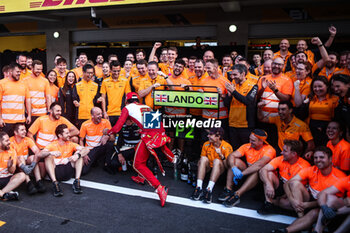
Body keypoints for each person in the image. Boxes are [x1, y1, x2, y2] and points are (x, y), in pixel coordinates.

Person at [108, 92, 175, 207]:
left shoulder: (127, 108)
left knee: (138, 164)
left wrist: (108, 132)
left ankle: (159, 188)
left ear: (126, 101)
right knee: (141, 157)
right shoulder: (146, 106)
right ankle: (141, 176)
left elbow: (118, 127)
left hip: (149, 137)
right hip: (159, 134)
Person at [277, 147, 346, 233]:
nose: (318, 160)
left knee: (313, 213)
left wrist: (307, 205)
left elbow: (332, 201)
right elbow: (288, 183)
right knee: (293, 186)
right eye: (316, 157)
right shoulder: (312, 169)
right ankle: (301, 217)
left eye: (321, 157)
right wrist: (293, 200)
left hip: (323, 206)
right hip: (308, 200)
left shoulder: (340, 177)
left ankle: (286, 230)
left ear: (330, 159)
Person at [220, 129, 276, 207]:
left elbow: (259, 165)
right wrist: (233, 167)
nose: (250, 142)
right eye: (249, 139)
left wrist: (242, 174)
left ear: (261, 141)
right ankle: (228, 189)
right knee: (234, 161)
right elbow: (232, 155)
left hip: (262, 178)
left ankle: (237, 194)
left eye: (253, 140)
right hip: (248, 173)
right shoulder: (246, 146)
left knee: (258, 170)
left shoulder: (270, 150)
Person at [258, 140, 310, 215]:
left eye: (285, 151)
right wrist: (268, 184)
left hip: (295, 192)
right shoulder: (281, 159)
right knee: (269, 174)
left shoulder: (304, 166)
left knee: (283, 202)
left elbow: (295, 188)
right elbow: (263, 170)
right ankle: (269, 204)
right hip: (283, 187)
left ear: (294, 154)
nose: (281, 152)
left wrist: (282, 198)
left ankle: (273, 202)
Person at [40, 124, 89, 197]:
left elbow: (87, 149)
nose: (69, 134)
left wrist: (77, 155)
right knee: (48, 156)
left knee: (79, 155)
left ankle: (77, 181)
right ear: (60, 135)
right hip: (56, 171)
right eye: (67, 133)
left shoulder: (71, 144)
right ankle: (55, 183)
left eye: (69, 132)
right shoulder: (52, 145)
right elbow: (41, 154)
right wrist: (51, 153)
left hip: (68, 170)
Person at [190, 127, 232, 204]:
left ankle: (209, 190)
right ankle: (198, 188)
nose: (208, 136)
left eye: (211, 134)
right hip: (209, 169)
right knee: (202, 159)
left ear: (218, 136)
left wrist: (221, 156)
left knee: (217, 161)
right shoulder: (206, 144)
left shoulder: (227, 146)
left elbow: (228, 166)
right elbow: (200, 162)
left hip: (220, 170)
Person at [225, 64, 258, 150]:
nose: (233, 77)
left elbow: (248, 101)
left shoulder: (253, 86)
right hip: (232, 124)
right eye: (232, 75)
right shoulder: (232, 85)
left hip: (245, 126)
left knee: (246, 150)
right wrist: (228, 95)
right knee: (234, 150)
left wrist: (233, 92)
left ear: (243, 74)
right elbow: (226, 104)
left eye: (235, 75)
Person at [10, 123, 45, 194]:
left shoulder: (27, 139)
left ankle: (39, 181)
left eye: (25, 130)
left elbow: (37, 151)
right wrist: (23, 166)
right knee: (21, 157)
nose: (25, 131)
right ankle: (28, 183)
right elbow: (12, 157)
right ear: (16, 132)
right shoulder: (11, 141)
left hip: (26, 162)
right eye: (22, 130)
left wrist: (34, 163)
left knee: (33, 157)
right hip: (16, 165)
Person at [79, 107, 113, 175]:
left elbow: (113, 138)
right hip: (90, 149)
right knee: (83, 171)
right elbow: (81, 141)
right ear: (92, 116)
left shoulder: (106, 122)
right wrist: (84, 153)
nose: (100, 115)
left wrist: (107, 137)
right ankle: (95, 162)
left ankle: (107, 165)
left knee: (110, 144)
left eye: (101, 113)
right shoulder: (85, 124)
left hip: (100, 147)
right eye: (98, 114)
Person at [0, 63, 31, 136]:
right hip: (6, 121)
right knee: (6, 143)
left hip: (20, 121)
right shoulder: (2, 83)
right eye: (17, 72)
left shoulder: (24, 84)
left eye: (20, 72)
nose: (19, 74)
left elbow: (28, 100)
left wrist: (29, 115)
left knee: (20, 142)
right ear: (10, 71)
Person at [308, 76, 338, 146]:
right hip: (312, 129)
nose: (317, 89)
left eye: (320, 86)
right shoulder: (310, 99)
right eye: (315, 87)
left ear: (327, 86)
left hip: (328, 130)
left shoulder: (334, 99)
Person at [101, 61, 131, 126]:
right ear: (110, 70)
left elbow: (128, 97)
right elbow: (103, 98)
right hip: (109, 113)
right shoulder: (105, 81)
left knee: (121, 135)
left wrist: (126, 112)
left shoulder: (125, 81)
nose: (116, 73)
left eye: (118, 71)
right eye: (114, 71)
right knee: (110, 135)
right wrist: (104, 112)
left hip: (121, 113)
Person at [0, 131, 26, 201]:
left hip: (7, 179)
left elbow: (12, 171)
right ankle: (4, 195)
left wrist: (9, 166)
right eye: (7, 141)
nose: (9, 142)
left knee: (22, 175)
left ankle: (2, 193)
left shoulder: (12, 151)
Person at [23, 60, 51, 124]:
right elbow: (24, 99)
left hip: (43, 113)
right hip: (30, 114)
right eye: (37, 69)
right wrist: (28, 115)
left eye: (41, 69)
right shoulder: (25, 80)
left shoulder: (45, 81)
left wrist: (49, 111)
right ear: (32, 68)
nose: (39, 71)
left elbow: (48, 97)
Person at [73, 64, 99, 128]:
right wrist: (75, 101)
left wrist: (99, 100)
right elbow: (74, 98)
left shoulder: (96, 86)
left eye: (91, 73)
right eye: (88, 73)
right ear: (83, 72)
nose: (90, 75)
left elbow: (96, 101)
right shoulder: (77, 85)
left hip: (92, 116)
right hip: (80, 116)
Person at [332, 74, 350, 141]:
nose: (335, 89)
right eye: (334, 87)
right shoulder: (341, 99)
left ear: (348, 85)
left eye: (338, 86)